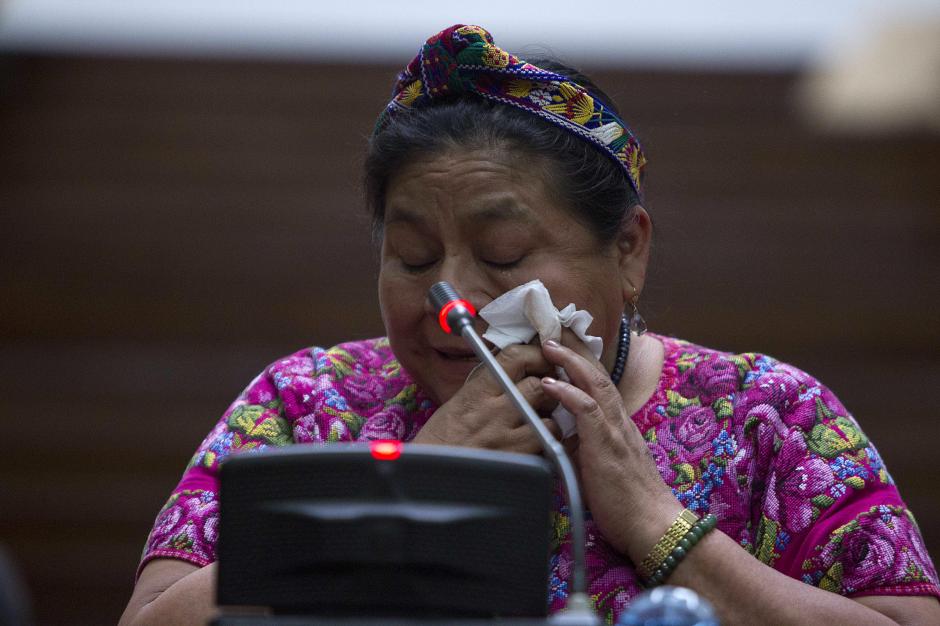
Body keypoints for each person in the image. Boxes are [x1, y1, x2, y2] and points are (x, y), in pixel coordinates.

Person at [119, 24, 940, 625]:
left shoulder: (770, 415)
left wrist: (658, 526)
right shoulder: (305, 403)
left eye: (504, 256)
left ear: (628, 251)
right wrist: (415, 475)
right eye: (410, 257)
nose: (450, 298)